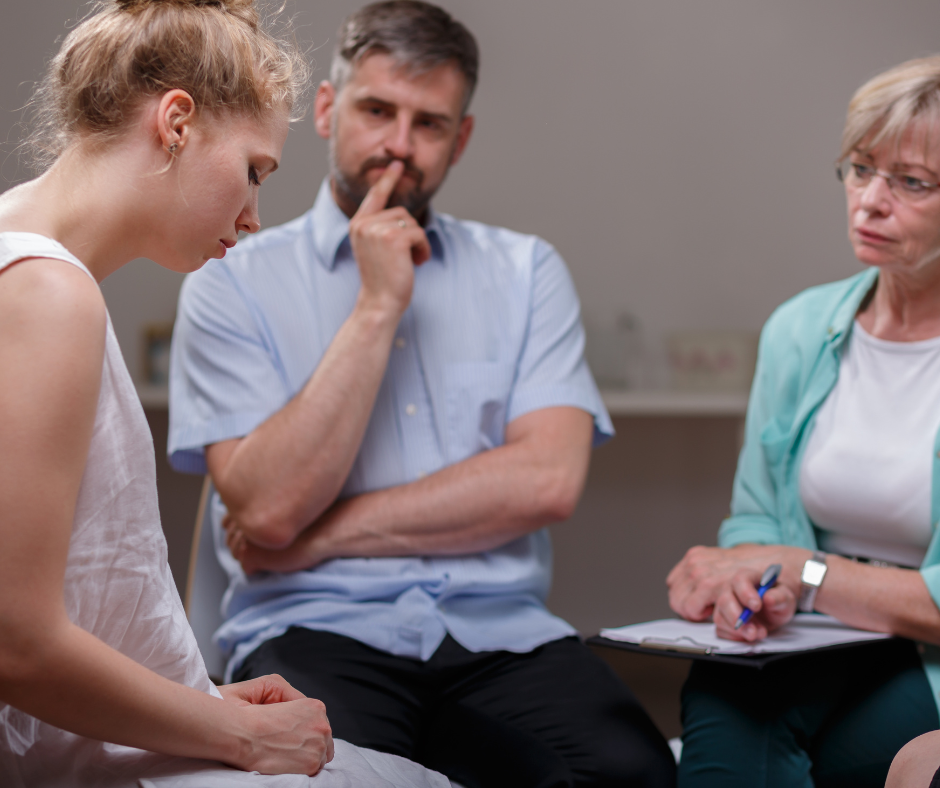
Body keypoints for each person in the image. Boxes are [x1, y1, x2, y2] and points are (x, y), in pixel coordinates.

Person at [168, 2, 677, 786]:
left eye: (430, 123)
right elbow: (266, 510)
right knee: (334, 780)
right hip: (313, 630)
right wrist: (376, 307)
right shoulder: (229, 280)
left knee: (631, 772)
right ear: (330, 111)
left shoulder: (526, 271)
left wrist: (318, 538)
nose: (399, 146)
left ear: (460, 139)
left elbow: (546, 480)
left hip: (501, 635)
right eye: (377, 110)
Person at [0, 1, 451, 786]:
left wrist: (197, 697)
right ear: (176, 122)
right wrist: (233, 735)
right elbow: (19, 645)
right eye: (252, 171)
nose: (250, 218)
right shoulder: (48, 295)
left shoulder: (26, 259)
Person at [666, 55, 940, 788]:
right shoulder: (800, 327)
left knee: (832, 752)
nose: (869, 202)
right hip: (812, 640)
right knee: (726, 695)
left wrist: (805, 572)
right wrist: (755, 588)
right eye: (859, 169)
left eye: (911, 182)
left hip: (923, 659)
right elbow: (753, 524)